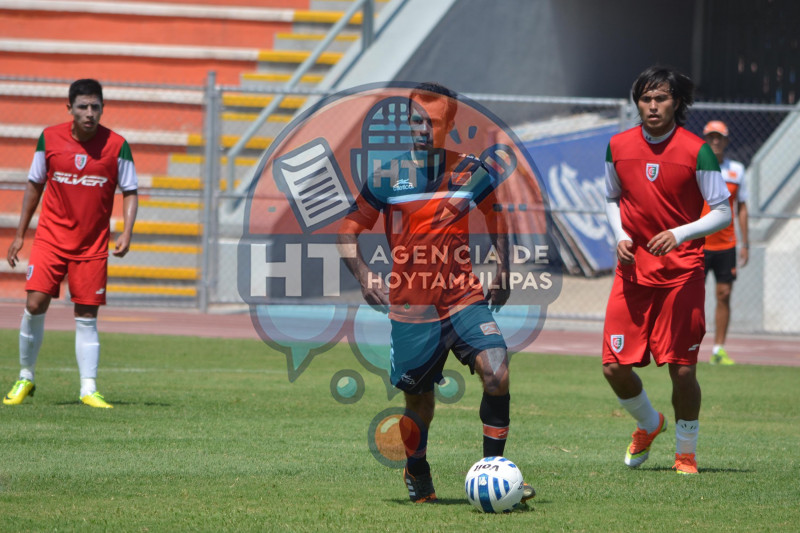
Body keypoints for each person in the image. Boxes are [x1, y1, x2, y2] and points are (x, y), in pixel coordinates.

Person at [337, 82, 534, 503]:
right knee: (420, 406)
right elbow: (347, 230)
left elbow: (495, 214)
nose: (422, 129)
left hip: (463, 296)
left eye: (433, 122)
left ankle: (494, 471)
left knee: (496, 372)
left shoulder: (469, 170)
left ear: (449, 125)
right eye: (416, 121)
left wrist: (502, 267)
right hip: (412, 306)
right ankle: (417, 468)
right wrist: (364, 273)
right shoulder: (387, 176)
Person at [602, 66, 732, 475]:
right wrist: (620, 235)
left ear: (677, 102)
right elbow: (610, 197)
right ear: (636, 102)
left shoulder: (698, 150)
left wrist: (679, 234)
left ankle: (685, 452)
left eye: (660, 98)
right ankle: (648, 423)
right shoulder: (617, 145)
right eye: (645, 99)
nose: (652, 106)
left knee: (682, 369)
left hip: (682, 273)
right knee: (613, 366)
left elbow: (723, 213)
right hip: (632, 272)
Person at [4, 78, 138, 409]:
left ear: (103, 109)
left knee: (86, 314)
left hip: (92, 244)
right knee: (35, 304)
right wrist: (21, 233)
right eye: (83, 107)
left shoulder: (117, 145)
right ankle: (25, 377)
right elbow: (34, 185)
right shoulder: (49, 139)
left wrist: (127, 232)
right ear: (70, 109)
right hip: (50, 238)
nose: (90, 113)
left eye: (96, 107)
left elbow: (131, 191)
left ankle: (88, 389)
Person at [701, 120, 749, 365]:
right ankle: (686, 345)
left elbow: (742, 208)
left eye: (719, 137)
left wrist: (745, 243)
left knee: (724, 294)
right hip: (698, 244)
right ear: (705, 141)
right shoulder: (696, 167)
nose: (715, 142)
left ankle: (718, 348)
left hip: (726, 244)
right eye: (711, 137)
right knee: (690, 296)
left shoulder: (737, 171)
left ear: (727, 141)